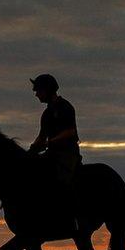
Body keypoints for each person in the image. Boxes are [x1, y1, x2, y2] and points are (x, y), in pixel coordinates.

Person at [26, 73, 82, 230]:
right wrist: (31, 151)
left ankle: (73, 218)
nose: (36, 94)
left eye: (38, 90)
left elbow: (71, 132)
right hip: (52, 154)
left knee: (62, 180)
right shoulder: (46, 114)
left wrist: (51, 142)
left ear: (48, 90)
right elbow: (41, 137)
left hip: (67, 154)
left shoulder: (66, 107)